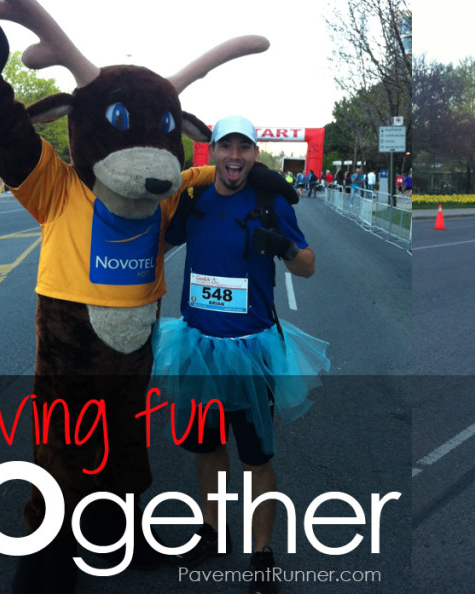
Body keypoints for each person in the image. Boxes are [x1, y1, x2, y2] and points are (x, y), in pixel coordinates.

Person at [152, 115, 330, 593]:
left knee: (254, 457)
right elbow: (158, 241)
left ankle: (261, 553)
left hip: (249, 352)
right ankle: (211, 531)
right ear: (212, 152)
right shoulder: (196, 201)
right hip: (197, 347)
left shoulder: (270, 202)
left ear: (255, 153)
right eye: (226, 146)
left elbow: (309, 267)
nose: (235, 155)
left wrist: (281, 245)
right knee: (206, 449)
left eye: (244, 147)